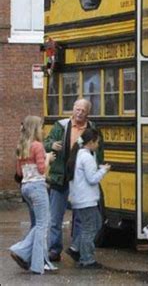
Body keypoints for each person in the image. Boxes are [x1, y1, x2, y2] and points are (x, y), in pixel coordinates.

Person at [44, 98, 104, 262]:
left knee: (79, 217)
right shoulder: (61, 126)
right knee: (56, 217)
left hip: (79, 179)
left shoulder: (92, 129)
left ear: (87, 113)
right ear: (73, 109)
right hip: (60, 176)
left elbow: (99, 151)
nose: (79, 113)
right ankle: (54, 250)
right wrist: (52, 145)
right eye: (77, 109)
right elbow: (46, 142)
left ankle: (77, 249)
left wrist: (97, 167)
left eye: (82, 110)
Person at [9, 116, 57, 274]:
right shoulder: (37, 146)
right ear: (36, 128)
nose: (43, 130)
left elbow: (18, 172)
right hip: (37, 187)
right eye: (41, 126)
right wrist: (48, 158)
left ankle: (41, 261)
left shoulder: (21, 145)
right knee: (43, 225)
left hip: (25, 187)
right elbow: (42, 169)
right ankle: (30, 257)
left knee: (39, 224)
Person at [67, 128, 110, 268]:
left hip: (79, 198)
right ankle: (87, 259)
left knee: (95, 223)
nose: (98, 145)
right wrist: (103, 170)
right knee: (90, 228)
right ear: (91, 142)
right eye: (97, 142)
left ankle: (75, 248)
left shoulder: (78, 154)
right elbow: (92, 179)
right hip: (86, 200)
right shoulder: (87, 157)